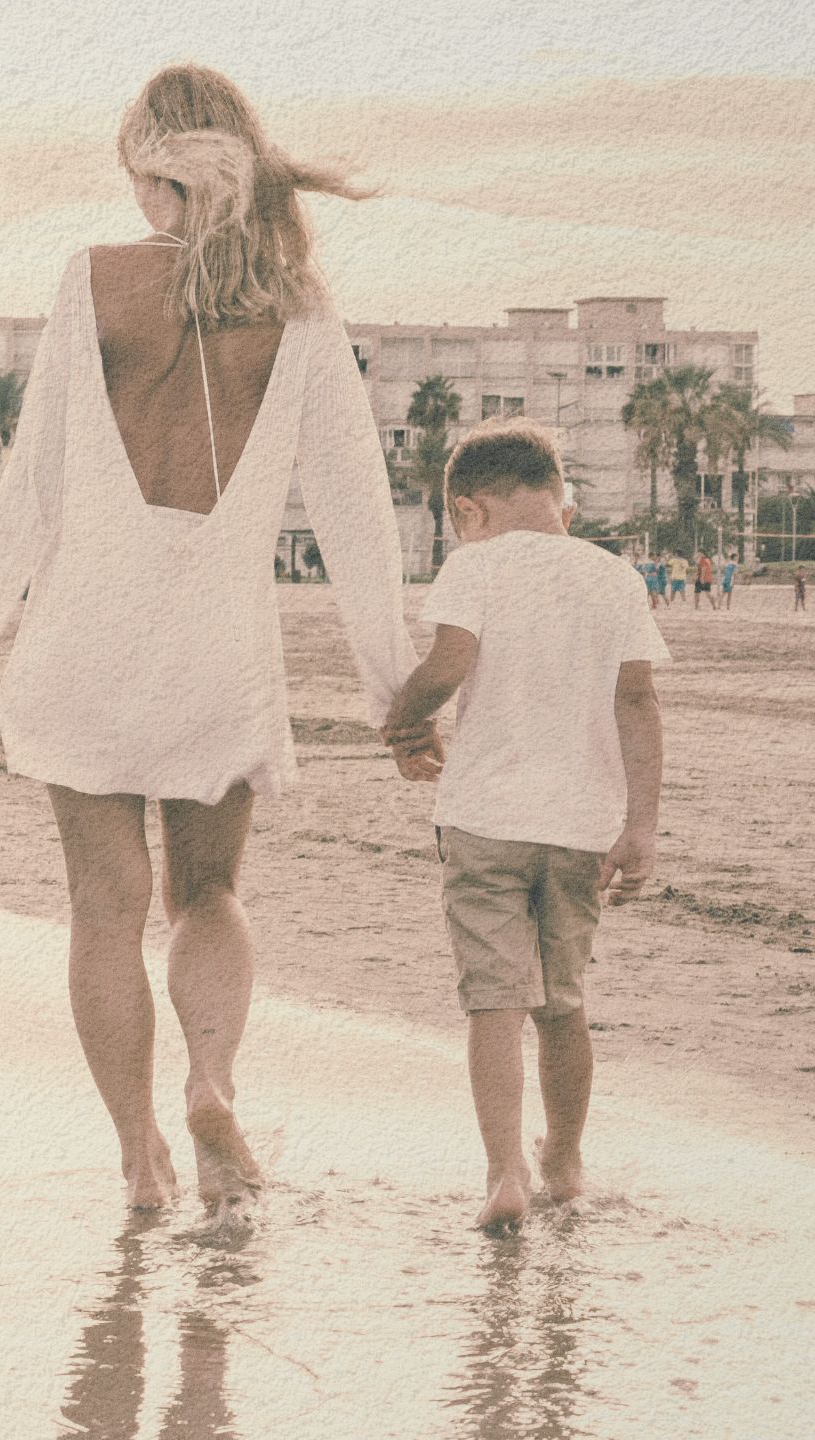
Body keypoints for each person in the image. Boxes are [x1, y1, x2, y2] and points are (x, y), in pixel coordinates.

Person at [0, 64, 416, 1214]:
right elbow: (354, 513)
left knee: (103, 907)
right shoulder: (300, 305)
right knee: (208, 894)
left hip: (84, 638)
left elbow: (30, 487)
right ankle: (211, 1080)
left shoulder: (91, 281)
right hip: (215, 653)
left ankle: (139, 1157)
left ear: (151, 175)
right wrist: (396, 688)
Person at [380, 423, 665, 1236]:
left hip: (484, 820)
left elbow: (446, 666)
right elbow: (638, 701)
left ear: (470, 511)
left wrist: (405, 728)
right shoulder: (615, 577)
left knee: (493, 1005)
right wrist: (641, 825)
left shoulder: (475, 564)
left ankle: (505, 1173)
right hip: (581, 825)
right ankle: (566, 1162)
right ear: (558, 498)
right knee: (563, 1000)